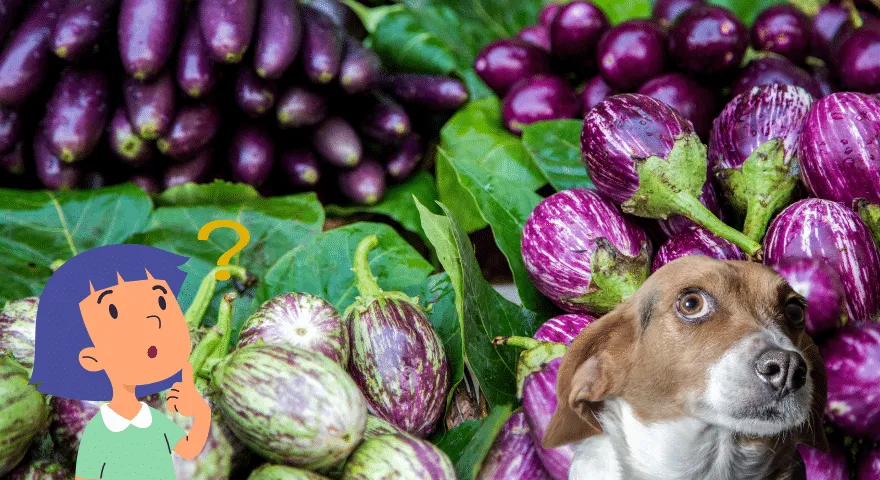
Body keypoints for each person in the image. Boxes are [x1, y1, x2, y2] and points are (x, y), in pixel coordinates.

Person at [30, 244, 211, 480]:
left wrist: (200, 412)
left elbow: (188, 449)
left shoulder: (154, 417)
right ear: (92, 359)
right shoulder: (98, 430)